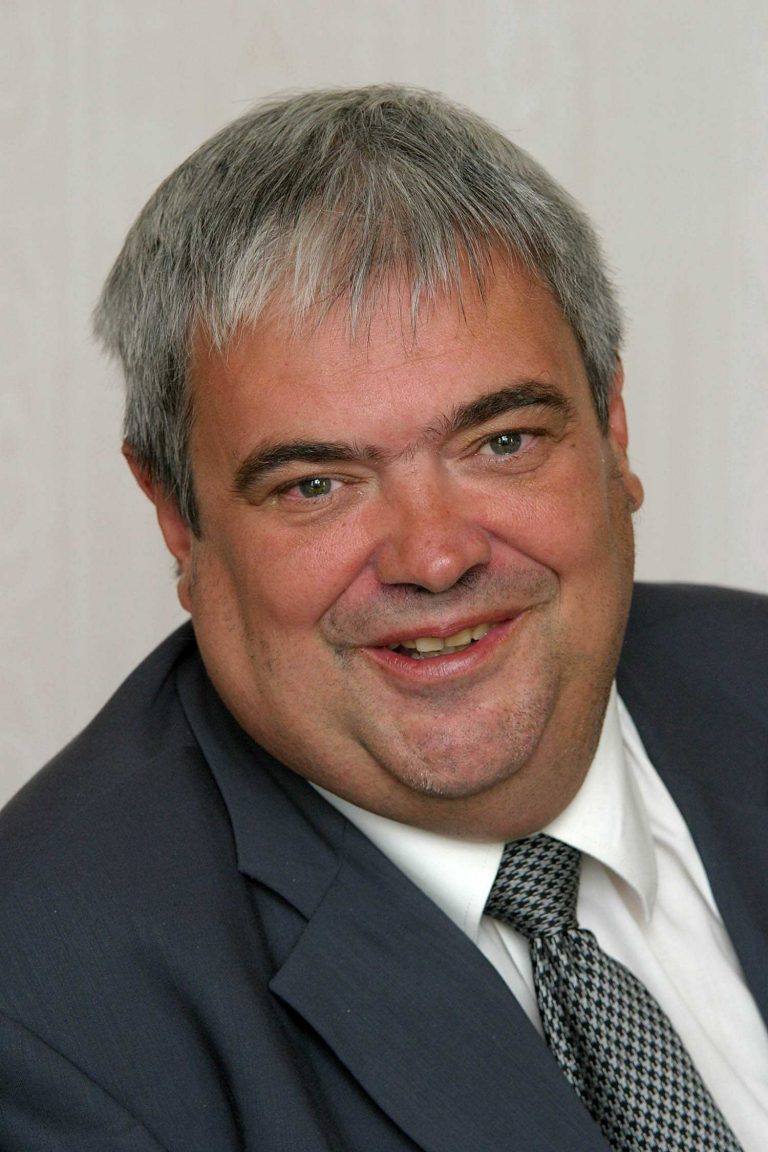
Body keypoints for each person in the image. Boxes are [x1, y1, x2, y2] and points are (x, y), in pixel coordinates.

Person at [1, 85, 766, 1152]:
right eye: (315, 484)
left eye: (502, 441)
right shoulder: (45, 1016)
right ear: (179, 519)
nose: (437, 557)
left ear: (612, 428)